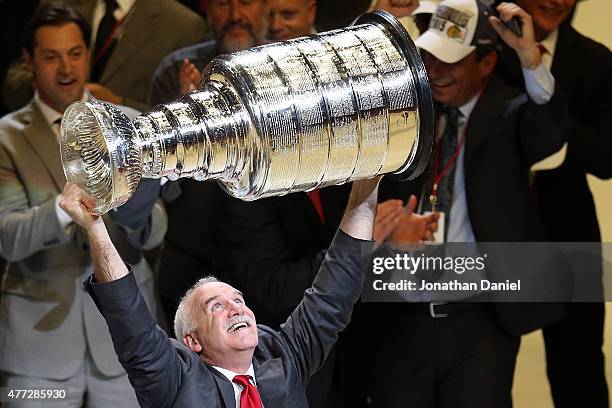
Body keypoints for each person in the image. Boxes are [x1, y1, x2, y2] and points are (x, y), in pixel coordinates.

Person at [367, 0, 569, 406]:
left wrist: (530, 58)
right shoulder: (406, 112)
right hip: (399, 320)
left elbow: (550, 134)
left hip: (479, 322)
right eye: (428, 56)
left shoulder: (511, 113)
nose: (435, 70)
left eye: (450, 61)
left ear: (488, 63)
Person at [58, 174, 379, 408]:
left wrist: (371, 178)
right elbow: (129, 318)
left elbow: (334, 291)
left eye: (238, 300)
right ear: (192, 341)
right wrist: (94, 227)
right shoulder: (175, 382)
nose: (236, 308)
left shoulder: (284, 357)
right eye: (216, 306)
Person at [0, 3, 166, 406]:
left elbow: (156, 231)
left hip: (125, 339)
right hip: (38, 349)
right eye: (51, 56)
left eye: (75, 53)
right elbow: (9, 237)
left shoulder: (130, 124)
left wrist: (138, 210)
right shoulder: (6, 136)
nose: (66, 68)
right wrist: (64, 208)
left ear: (88, 55)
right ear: (29, 62)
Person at [498, 0, 612, 406]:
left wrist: (544, 94)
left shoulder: (595, 60)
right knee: (481, 372)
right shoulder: (486, 48)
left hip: (570, 233)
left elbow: (605, 159)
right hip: (491, 233)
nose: (558, 1)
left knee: (580, 369)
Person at [149, 0, 270, 331]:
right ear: (206, 10)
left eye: (246, 2)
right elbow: (161, 185)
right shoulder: (175, 71)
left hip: (271, 267)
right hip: (191, 264)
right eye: (221, 4)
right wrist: (187, 122)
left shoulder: (284, 69)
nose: (235, 16)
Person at [2, 0, 208, 112]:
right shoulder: (59, 4)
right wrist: (54, 90)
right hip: (44, 139)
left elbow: (183, 113)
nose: (66, 67)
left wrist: (118, 103)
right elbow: (15, 81)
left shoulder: (184, 25)